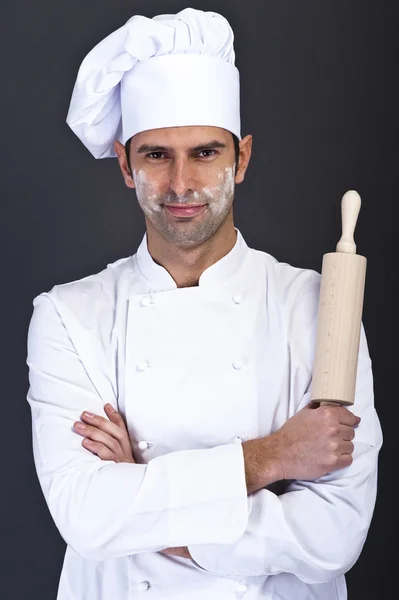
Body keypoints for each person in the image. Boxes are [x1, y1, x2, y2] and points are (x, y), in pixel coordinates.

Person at [26, 8, 382, 600]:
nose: (182, 185)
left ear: (240, 160)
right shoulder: (69, 315)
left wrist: (140, 496)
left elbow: (333, 536)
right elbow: (86, 516)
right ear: (125, 164)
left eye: (206, 153)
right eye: (157, 155)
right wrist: (272, 458)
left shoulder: (317, 307)